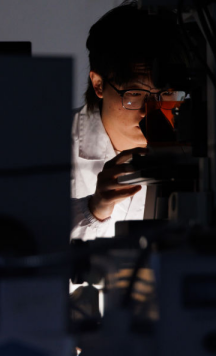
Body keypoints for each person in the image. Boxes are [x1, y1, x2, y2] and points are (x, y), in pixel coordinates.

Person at [71, 1, 186, 240]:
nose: (150, 111)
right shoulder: (48, 145)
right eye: (134, 93)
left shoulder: (196, 154)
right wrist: (94, 210)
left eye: (166, 93)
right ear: (98, 84)